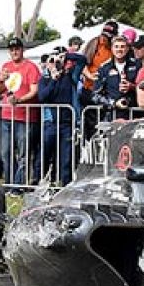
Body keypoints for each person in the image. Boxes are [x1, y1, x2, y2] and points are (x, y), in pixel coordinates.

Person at [0, 37, 42, 186]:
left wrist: (20, 101)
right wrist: (1, 80)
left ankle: (19, 185)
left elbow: (34, 90)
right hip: (6, 115)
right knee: (5, 152)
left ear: (22, 50)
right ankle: (10, 183)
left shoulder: (31, 67)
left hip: (25, 116)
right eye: (12, 49)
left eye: (17, 49)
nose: (14, 52)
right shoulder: (6, 66)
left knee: (24, 153)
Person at [37, 49, 85, 185]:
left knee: (66, 158)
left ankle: (65, 185)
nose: (55, 63)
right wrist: (53, 79)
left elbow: (83, 60)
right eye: (52, 61)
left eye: (57, 61)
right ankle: (40, 182)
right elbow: (42, 97)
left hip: (67, 123)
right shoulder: (45, 79)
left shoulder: (71, 76)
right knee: (45, 155)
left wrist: (66, 56)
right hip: (50, 123)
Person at [92, 34, 141, 117]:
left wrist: (132, 87)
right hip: (112, 115)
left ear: (127, 48)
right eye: (116, 46)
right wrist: (113, 103)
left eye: (122, 46)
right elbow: (95, 96)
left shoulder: (137, 65)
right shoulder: (104, 68)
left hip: (135, 114)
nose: (119, 49)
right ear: (112, 48)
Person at [80, 19, 119, 91]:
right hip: (89, 87)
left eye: (107, 36)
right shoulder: (93, 43)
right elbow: (81, 63)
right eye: (103, 35)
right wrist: (89, 75)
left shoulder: (117, 47)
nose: (104, 38)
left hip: (106, 89)